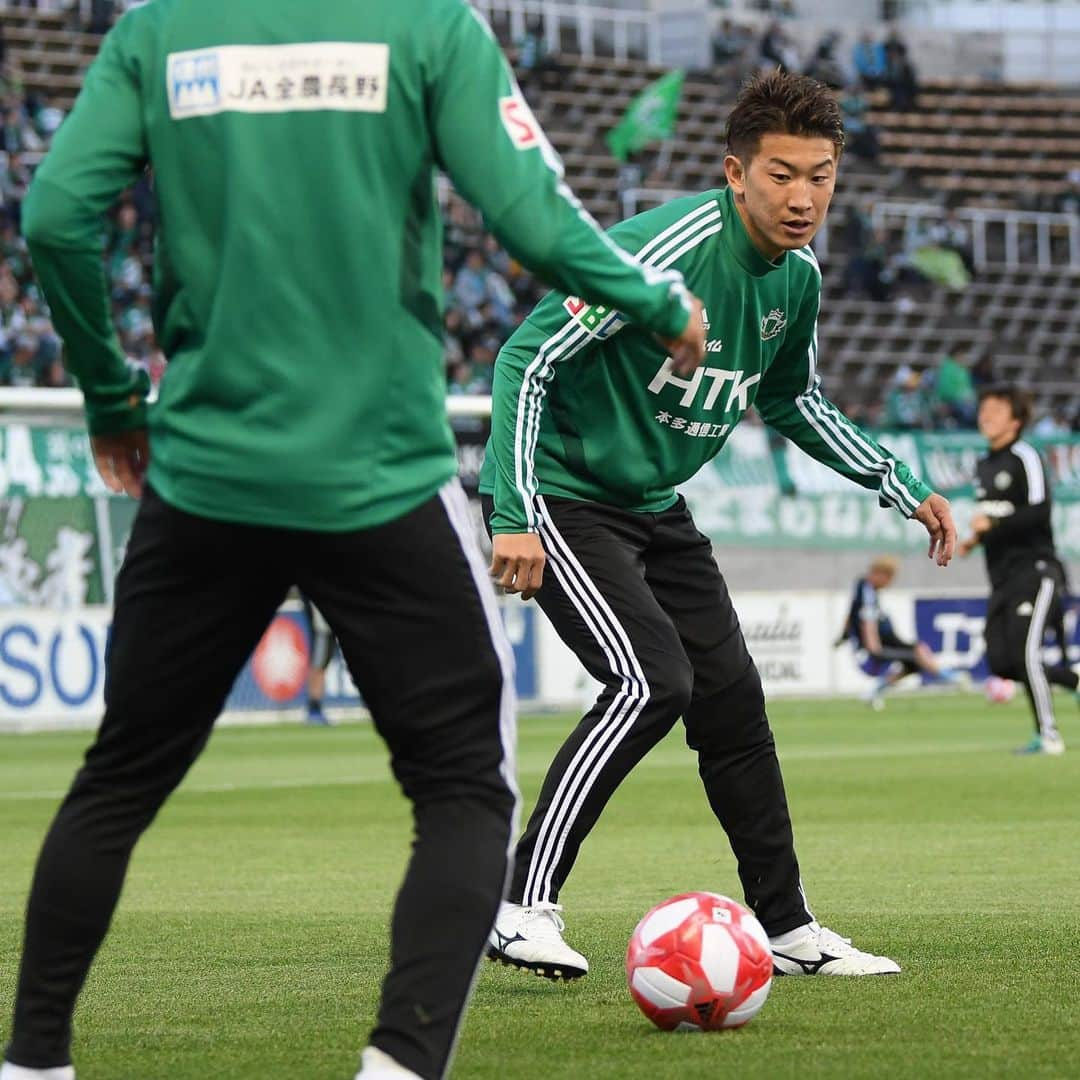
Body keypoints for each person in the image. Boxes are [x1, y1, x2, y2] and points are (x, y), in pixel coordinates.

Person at [0, 2, 708, 1078]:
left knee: (119, 781)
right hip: (378, 479)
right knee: (466, 789)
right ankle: (396, 1064)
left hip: (204, 477)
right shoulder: (428, 27)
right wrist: (653, 297)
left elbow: (53, 217)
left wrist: (109, 393)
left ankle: (34, 1062)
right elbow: (531, 217)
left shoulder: (159, 32)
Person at [479, 71, 957, 984]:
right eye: (781, 174)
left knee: (732, 700)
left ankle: (787, 926)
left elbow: (792, 400)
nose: (803, 196)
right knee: (649, 680)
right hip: (563, 494)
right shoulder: (661, 255)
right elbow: (525, 361)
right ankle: (517, 904)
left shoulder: (800, 278)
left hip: (655, 508)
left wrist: (898, 482)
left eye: (820, 175)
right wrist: (512, 513)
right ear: (735, 173)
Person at [959, 386, 1078, 755]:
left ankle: (1050, 736)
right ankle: (1073, 680)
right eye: (983, 408)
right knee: (1001, 660)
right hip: (1001, 576)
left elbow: (1038, 512)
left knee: (1027, 652)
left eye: (995, 410)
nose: (986, 416)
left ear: (1015, 419)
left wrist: (989, 527)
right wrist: (973, 540)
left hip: (1036, 568)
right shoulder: (983, 464)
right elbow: (993, 518)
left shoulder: (1026, 456)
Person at [841, 555, 964, 710]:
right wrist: (873, 648)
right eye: (889, 578)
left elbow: (850, 615)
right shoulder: (867, 592)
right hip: (872, 648)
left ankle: (875, 691)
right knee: (916, 658)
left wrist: (842, 636)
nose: (890, 583)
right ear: (880, 574)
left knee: (917, 654)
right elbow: (868, 622)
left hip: (885, 641)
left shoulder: (864, 588)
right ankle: (952, 678)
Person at [300, 592, 337, 726]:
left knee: (321, 662)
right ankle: (314, 708)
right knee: (319, 661)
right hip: (322, 623)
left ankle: (314, 708)